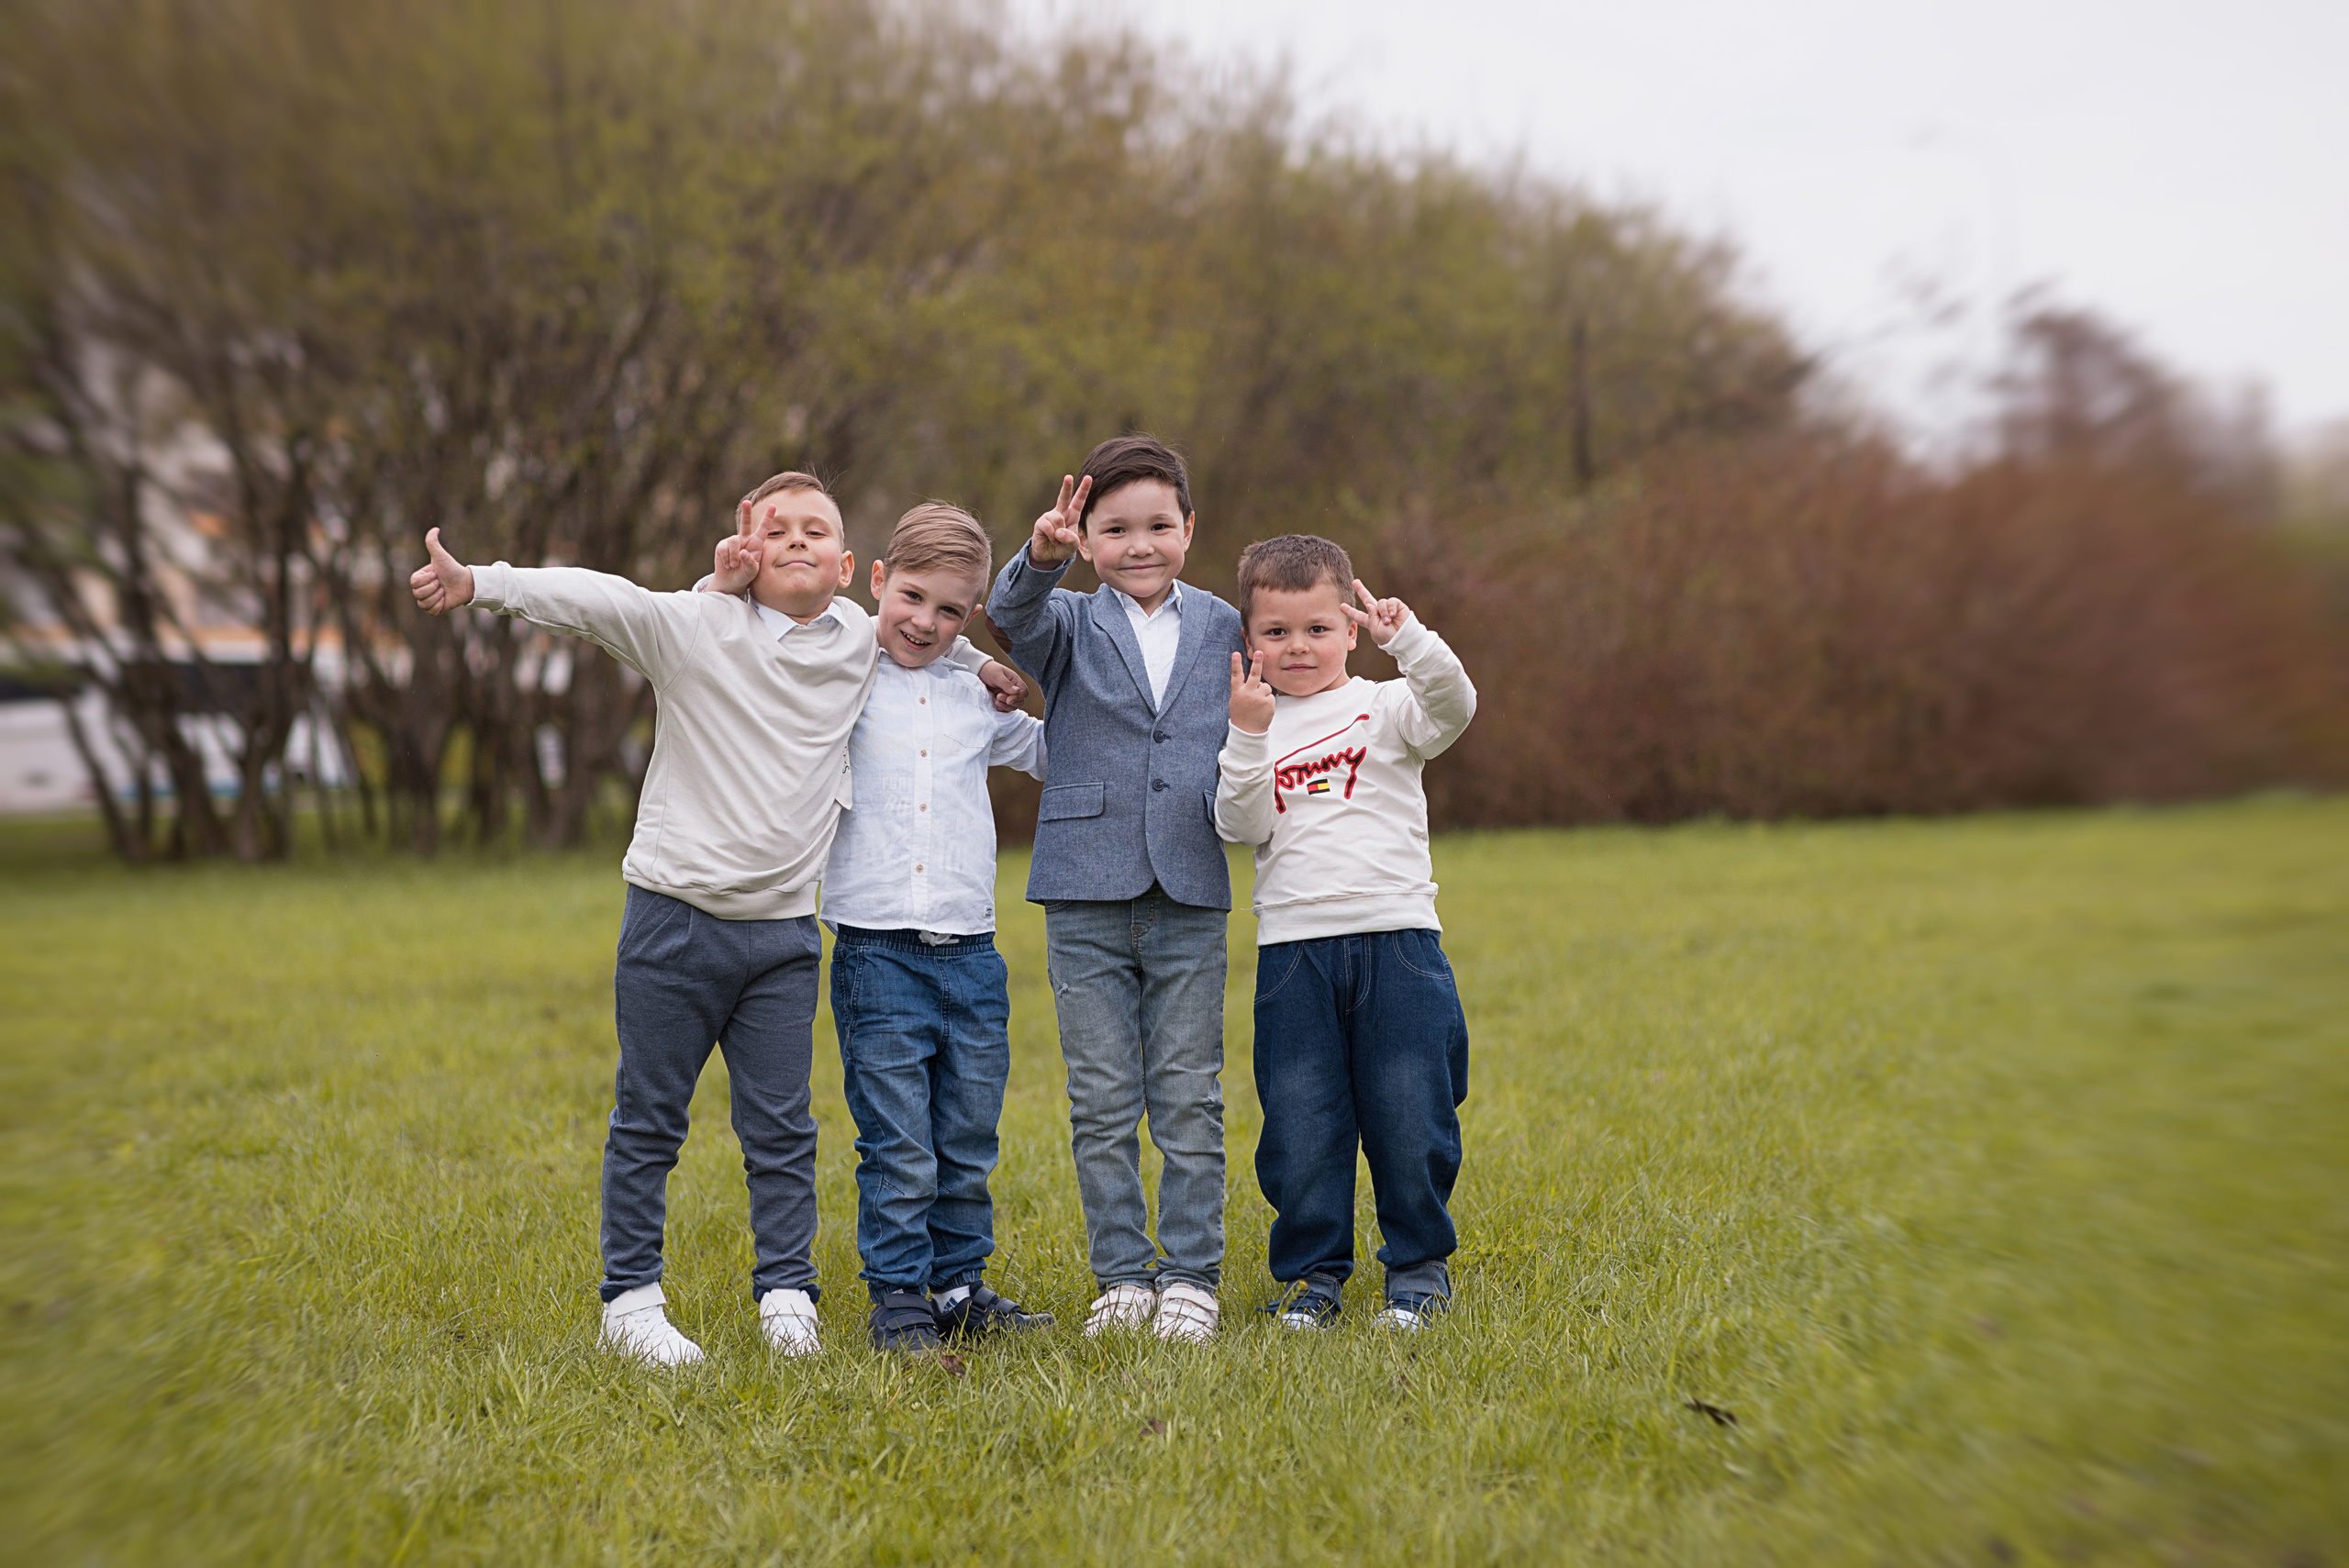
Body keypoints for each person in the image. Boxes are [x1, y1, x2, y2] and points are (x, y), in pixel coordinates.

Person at [407, 473, 1023, 1366]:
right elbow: (598, 599)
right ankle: (631, 1300)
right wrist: (480, 583)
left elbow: (923, 630)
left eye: (817, 529)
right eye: (780, 527)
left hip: (784, 936)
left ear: (848, 567)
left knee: (782, 1130)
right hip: (674, 919)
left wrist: (982, 665)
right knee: (649, 1118)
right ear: (747, 546)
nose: (799, 539)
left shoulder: (856, 639)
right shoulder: (692, 626)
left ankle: (787, 1293)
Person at [733, 503, 1054, 1353]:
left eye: (951, 611)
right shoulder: (843, 673)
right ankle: (901, 1297)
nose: (925, 622)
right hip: (876, 951)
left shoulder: (976, 696)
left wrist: (1006, 669)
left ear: (971, 614)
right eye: (911, 597)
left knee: (967, 1135)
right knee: (900, 1140)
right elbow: (790, 630)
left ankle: (958, 1285)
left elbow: (1054, 755)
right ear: (877, 581)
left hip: (972, 952)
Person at [984, 436, 1247, 1343]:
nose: (1140, 545)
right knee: (1100, 1099)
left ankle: (1191, 1277)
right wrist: (1040, 556)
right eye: (1116, 529)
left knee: (1188, 1095)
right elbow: (1007, 612)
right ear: (1089, 539)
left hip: (1189, 880)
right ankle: (1123, 1276)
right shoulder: (1065, 622)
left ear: (1189, 529)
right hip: (1084, 887)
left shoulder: (1224, 625)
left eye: (1158, 526)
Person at [1213, 534, 1477, 1331]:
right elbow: (1239, 824)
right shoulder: (1252, 722)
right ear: (1249, 640)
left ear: (1351, 630)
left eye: (1318, 628)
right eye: (1277, 631)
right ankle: (1312, 1276)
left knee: (1411, 1110)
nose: (1298, 647)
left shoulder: (1387, 706)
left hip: (1397, 940)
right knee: (1300, 1121)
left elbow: (1456, 706)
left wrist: (1411, 640)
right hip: (1295, 953)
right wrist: (1247, 735)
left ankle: (1418, 1271)